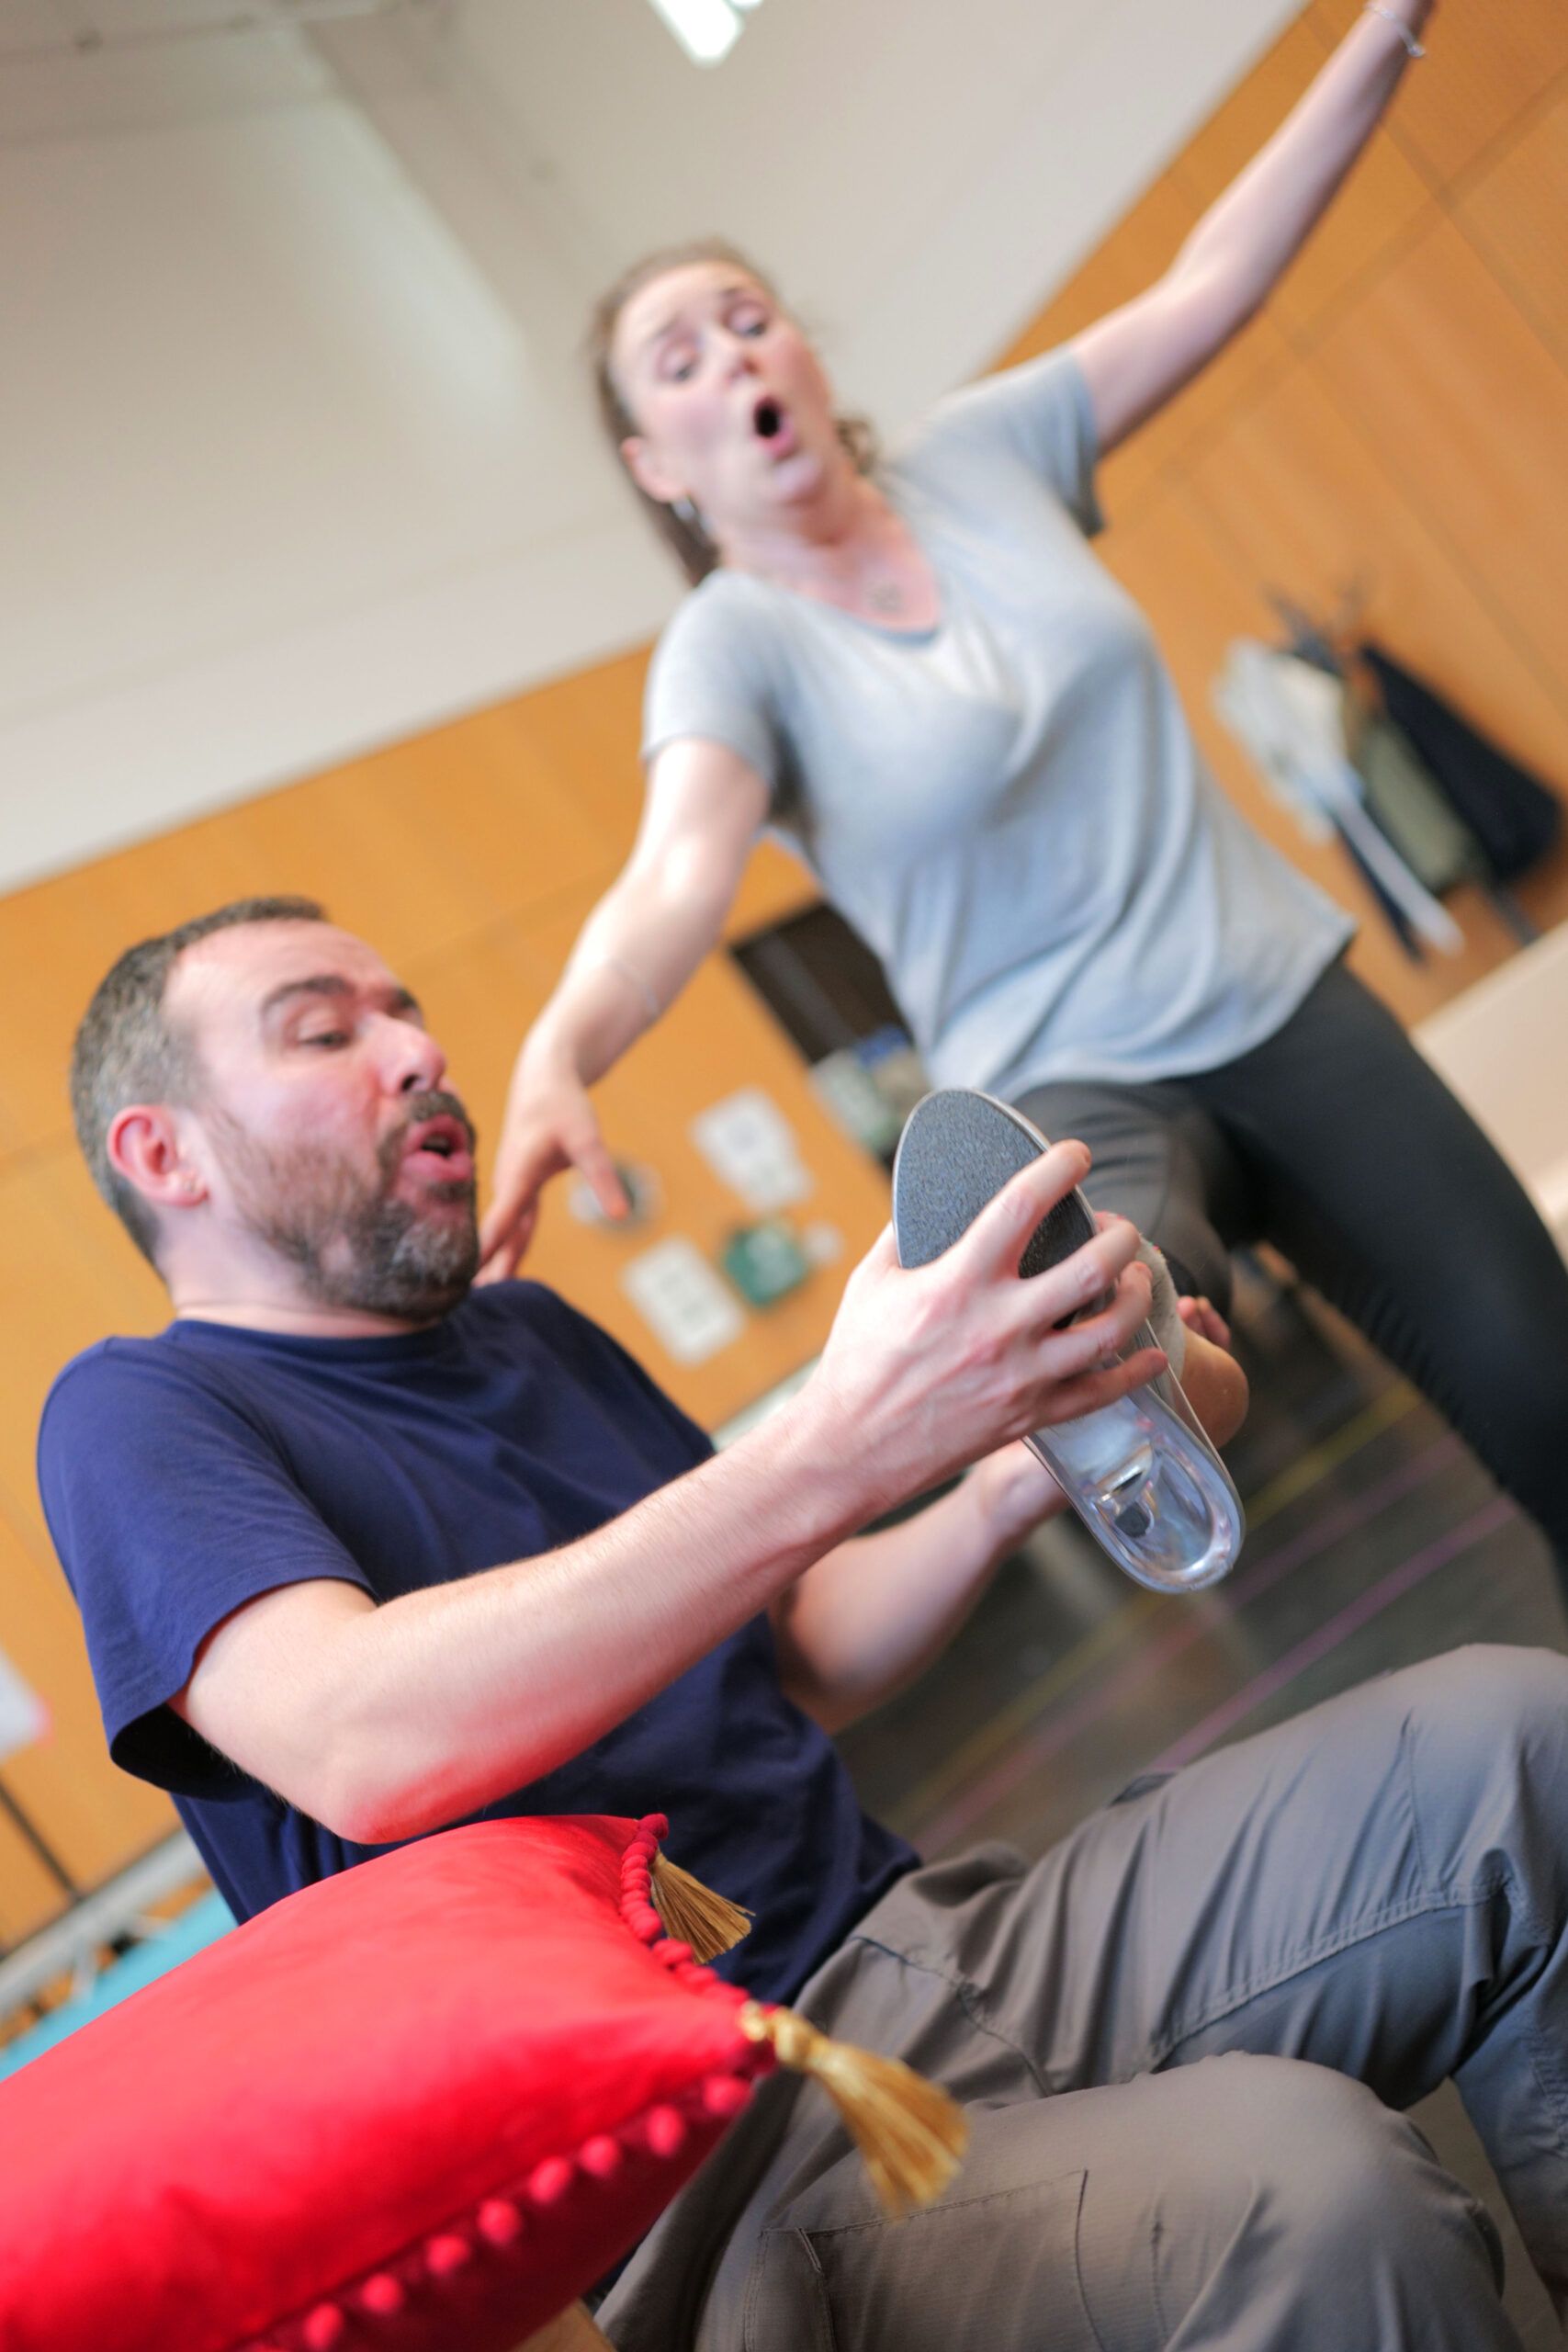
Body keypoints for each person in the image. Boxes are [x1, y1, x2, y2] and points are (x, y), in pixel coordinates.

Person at [41, 896, 1568, 2348]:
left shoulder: (535, 1334)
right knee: (1306, 2196)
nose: (417, 1049)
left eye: (407, 1010)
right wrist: (844, 1438)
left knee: (1522, 1748)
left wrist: (1012, 1467)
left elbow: (804, 1649)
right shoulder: (138, 1413)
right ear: (162, 1151)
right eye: (326, 1032)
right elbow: (360, 1742)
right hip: (703, 2182)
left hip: (927, 1949)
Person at [479, 0, 1568, 1588]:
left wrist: (1387, 23)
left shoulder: (983, 456)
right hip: (1059, 1082)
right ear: (661, 463)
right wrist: (563, 1047)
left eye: (748, 319)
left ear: (803, 354)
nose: (734, 355)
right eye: (681, 360)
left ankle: (1112, 1358)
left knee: (1546, 1385)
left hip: (1272, 994)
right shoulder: (733, 645)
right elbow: (676, 877)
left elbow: (1215, 280)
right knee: (1108, 1271)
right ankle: (1109, 1370)